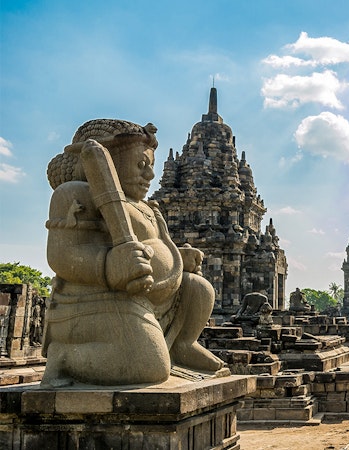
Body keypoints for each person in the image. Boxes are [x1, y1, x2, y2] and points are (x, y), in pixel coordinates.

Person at [43, 119, 223, 386]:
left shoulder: (146, 207)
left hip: (155, 298)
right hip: (101, 303)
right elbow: (61, 255)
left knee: (198, 286)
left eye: (151, 166)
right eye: (140, 165)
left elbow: (156, 242)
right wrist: (107, 265)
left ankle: (182, 344)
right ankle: (66, 356)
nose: (149, 175)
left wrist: (177, 258)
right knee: (147, 367)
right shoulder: (75, 194)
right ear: (110, 162)